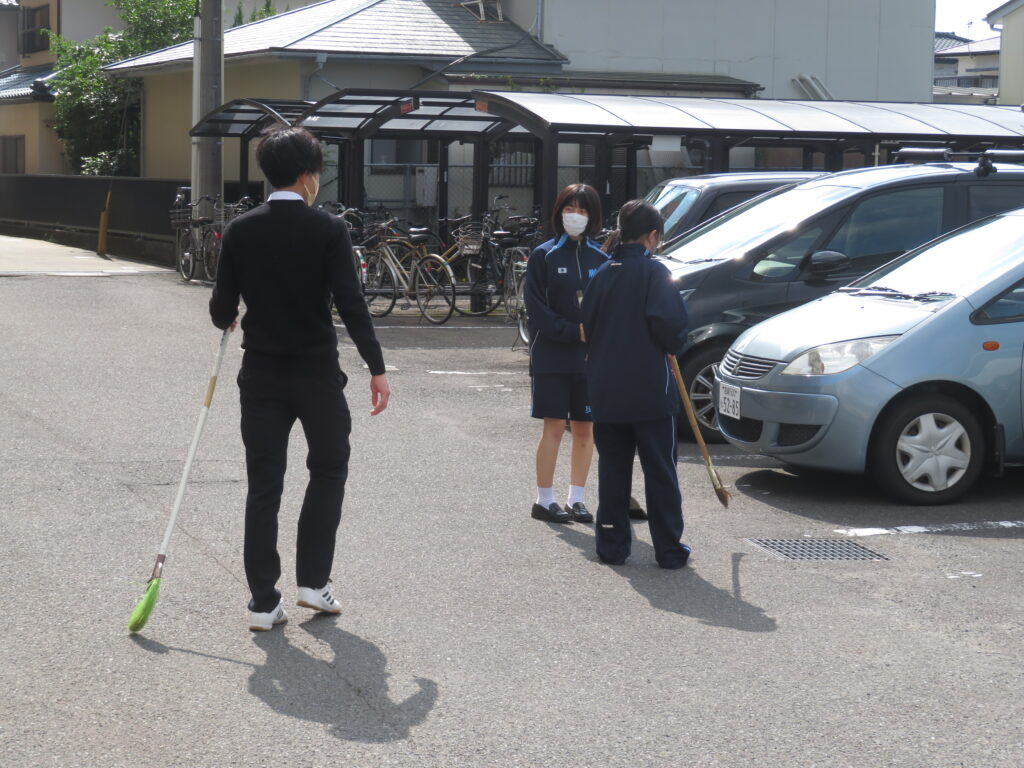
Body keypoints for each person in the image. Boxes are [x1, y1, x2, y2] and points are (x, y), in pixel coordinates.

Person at [209, 125, 390, 631]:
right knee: (328, 471)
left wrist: (230, 315)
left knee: (264, 485)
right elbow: (351, 304)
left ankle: (263, 603)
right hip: (316, 375)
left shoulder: (240, 229)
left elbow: (222, 308)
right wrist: (376, 368)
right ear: (309, 175)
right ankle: (313, 581)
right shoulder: (329, 229)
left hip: (261, 375)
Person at [580, 199, 691, 568]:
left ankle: (611, 546)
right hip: (650, 391)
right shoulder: (655, 273)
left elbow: (586, 326)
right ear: (652, 236)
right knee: (660, 470)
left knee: (613, 469)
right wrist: (671, 342)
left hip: (606, 389)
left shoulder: (602, 273)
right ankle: (669, 550)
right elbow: (672, 330)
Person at [523, 183, 608, 524]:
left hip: (590, 360)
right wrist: (574, 331)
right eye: (570, 209)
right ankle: (544, 500)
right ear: (559, 212)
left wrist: (595, 334)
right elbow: (536, 309)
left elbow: (608, 307)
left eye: (583, 210)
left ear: (593, 216)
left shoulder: (602, 258)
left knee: (585, 429)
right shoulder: (543, 255)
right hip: (551, 356)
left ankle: (577, 499)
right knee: (555, 426)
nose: (576, 216)